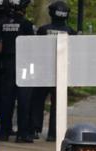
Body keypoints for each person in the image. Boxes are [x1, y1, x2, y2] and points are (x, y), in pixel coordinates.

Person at [31, 1, 75, 141]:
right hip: (61, 72)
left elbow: (36, 50)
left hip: (44, 70)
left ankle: (35, 129)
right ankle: (54, 133)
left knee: (38, 101)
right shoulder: (70, 32)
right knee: (58, 103)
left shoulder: (43, 30)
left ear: (51, 13)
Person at [0, 0, 34, 143]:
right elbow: (31, 46)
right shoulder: (26, 24)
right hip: (23, 64)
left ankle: (4, 131)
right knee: (24, 99)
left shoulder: (1, 24)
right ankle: (22, 133)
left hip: (7, 64)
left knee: (6, 98)